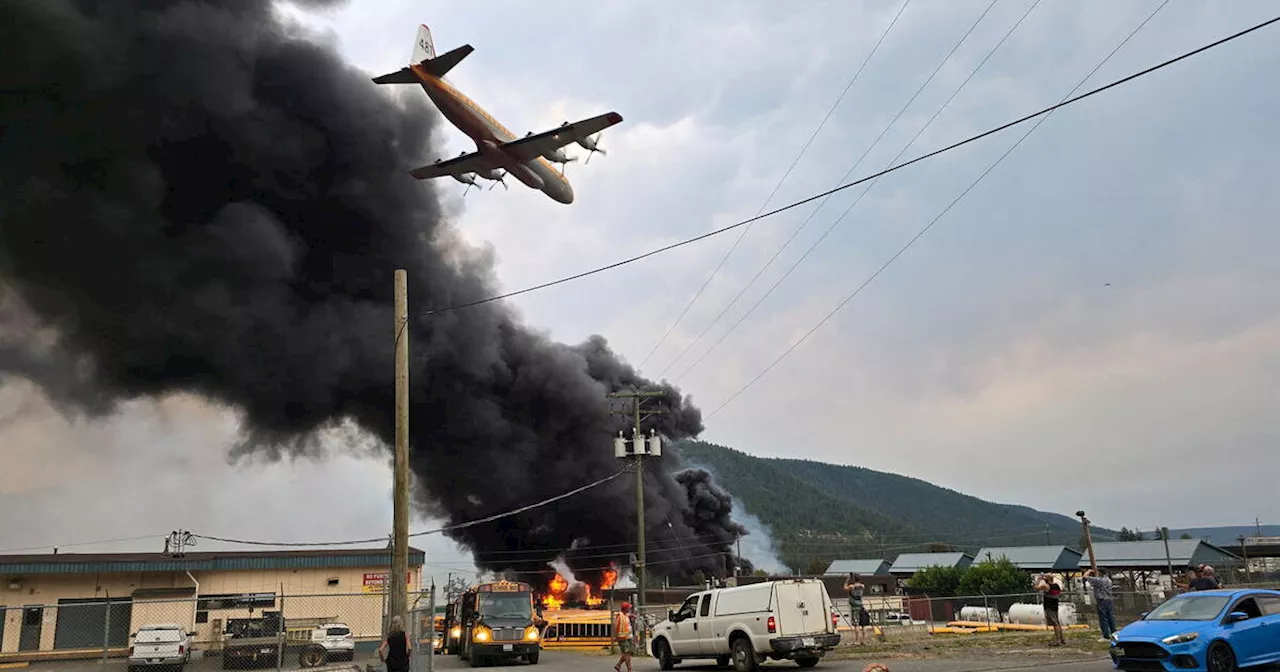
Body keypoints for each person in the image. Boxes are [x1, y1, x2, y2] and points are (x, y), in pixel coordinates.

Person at [1082, 568, 1116, 641]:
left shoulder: (1099, 580)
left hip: (1102, 600)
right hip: (1109, 600)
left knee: (1103, 618)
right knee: (1110, 618)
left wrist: (1089, 571)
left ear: (1100, 573)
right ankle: (1114, 633)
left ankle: (1106, 636)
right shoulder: (1109, 580)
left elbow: (1084, 577)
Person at [1034, 573, 1066, 647]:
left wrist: (1039, 579)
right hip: (1055, 605)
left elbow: (1036, 588)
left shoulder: (1046, 586)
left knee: (1055, 623)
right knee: (1057, 622)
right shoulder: (1056, 585)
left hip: (1049, 606)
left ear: (1048, 579)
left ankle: (1058, 640)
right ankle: (1061, 639)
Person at [843, 573, 869, 645]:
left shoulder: (852, 587)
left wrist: (847, 580)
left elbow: (845, 587)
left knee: (856, 625)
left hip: (855, 608)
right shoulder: (862, 586)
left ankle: (857, 641)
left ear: (854, 579)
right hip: (861, 607)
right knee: (864, 625)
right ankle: (864, 641)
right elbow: (860, 586)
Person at [613, 602, 634, 672]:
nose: (630, 609)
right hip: (622, 637)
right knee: (626, 653)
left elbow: (628, 615)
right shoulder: (620, 616)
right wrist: (616, 636)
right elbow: (615, 626)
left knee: (627, 653)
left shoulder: (625, 615)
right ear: (626, 609)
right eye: (629, 608)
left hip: (628, 636)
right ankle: (629, 669)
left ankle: (618, 665)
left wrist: (632, 615)